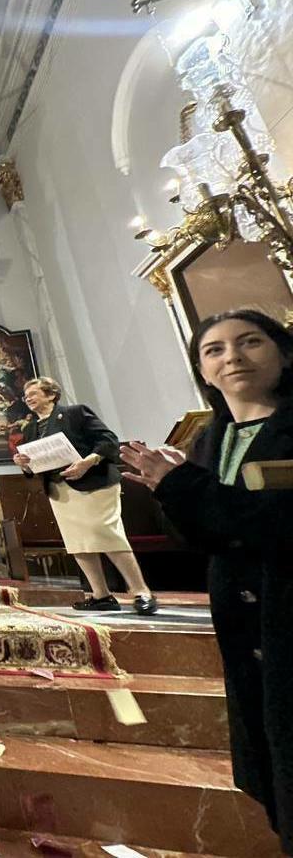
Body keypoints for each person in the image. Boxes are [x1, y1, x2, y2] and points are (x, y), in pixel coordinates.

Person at [120, 308, 293, 853]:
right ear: (201, 369)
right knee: (274, 759)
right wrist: (171, 487)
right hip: (246, 627)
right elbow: (204, 532)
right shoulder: (212, 439)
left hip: (285, 607)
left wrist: (183, 486)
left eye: (249, 342)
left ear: (284, 352)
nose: (233, 357)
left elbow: (274, 522)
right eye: (214, 350)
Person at [13, 377, 157, 614]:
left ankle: (141, 591)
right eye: (26, 396)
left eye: (34, 393)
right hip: (61, 489)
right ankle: (101, 595)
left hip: (93, 483)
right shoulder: (30, 429)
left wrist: (87, 462)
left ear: (51, 394)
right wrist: (24, 464)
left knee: (107, 534)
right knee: (78, 542)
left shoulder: (74, 413)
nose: (28, 398)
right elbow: (34, 464)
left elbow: (107, 440)